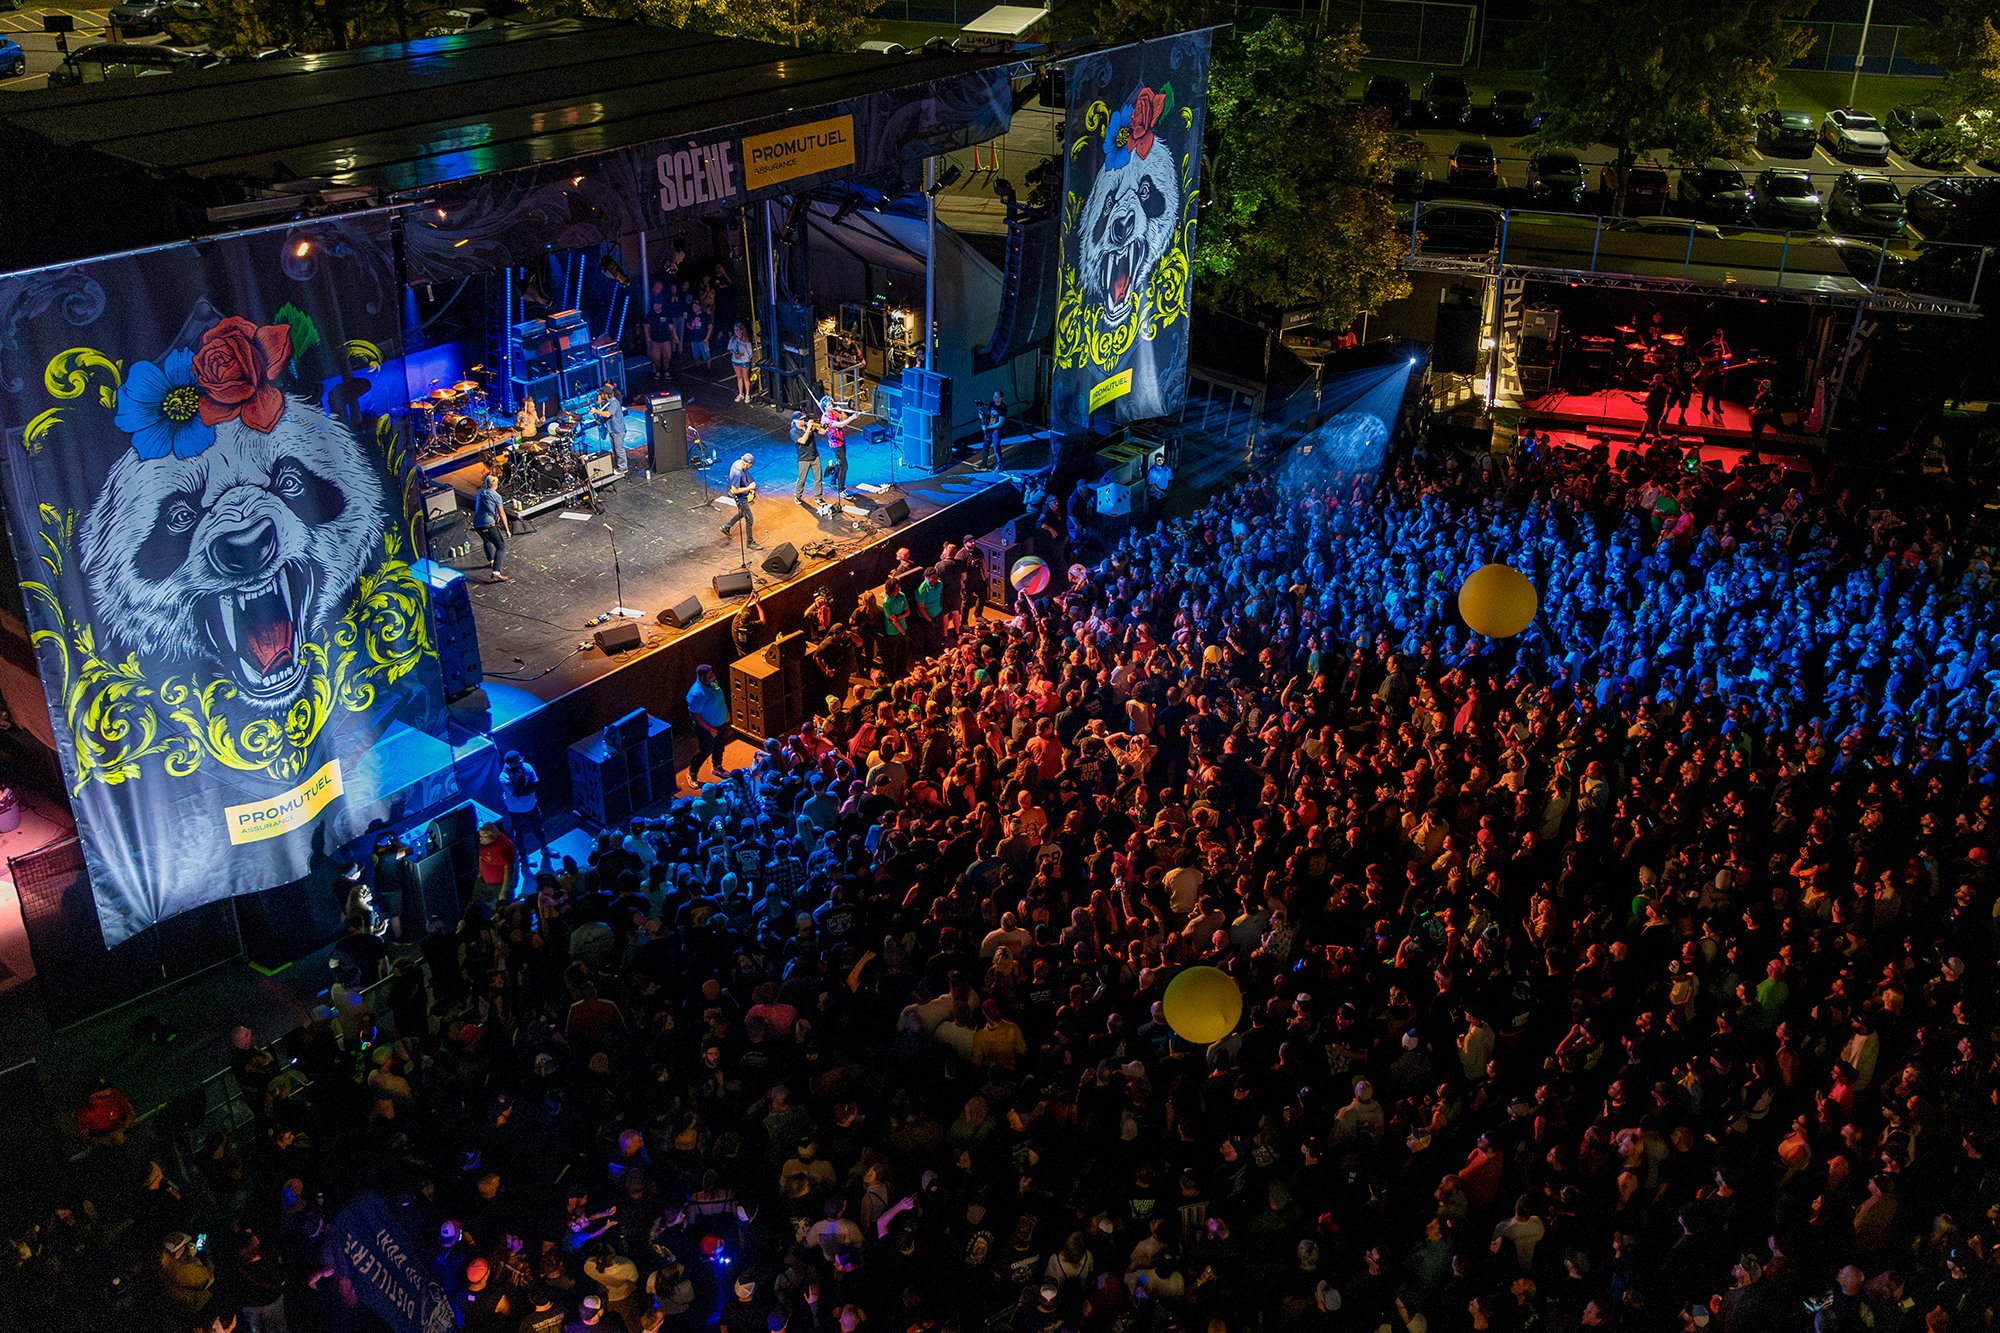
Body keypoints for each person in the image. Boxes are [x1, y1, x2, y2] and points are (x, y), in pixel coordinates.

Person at [498, 750, 544, 872]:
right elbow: (517, 793)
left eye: (520, 760)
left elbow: (536, 784)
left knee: (538, 826)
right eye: (517, 762)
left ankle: (544, 847)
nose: (521, 763)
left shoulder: (526, 766)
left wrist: (527, 788)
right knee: (519, 832)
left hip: (531, 803)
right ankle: (524, 857)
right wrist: (523, 780)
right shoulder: (504, 777)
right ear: (509, 764)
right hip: (516, 809)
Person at [685, 663, 730, 784]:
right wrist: (710, 729)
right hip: (707, 729)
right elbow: (695, 716)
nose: (713, 676)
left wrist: (726, 713)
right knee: (705, 750)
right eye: (710, 675)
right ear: (702, 677)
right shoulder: (696, 693)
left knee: (719, 747)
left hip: (721, 724)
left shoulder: (713, 684)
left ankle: (717, 767)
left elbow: (720, 699)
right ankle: (692, 773)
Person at [472, 469, 510, 582]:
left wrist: (494, 513)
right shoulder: (496, 496)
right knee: (501, 547)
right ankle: (496, 572)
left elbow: (486, 506)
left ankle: (491, 561)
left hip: (477, 524)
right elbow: (502, 514)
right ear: (496, 484)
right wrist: (507, 530)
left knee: (486, 541)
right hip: (488, 525)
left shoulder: (480, 492)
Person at [722, 451, 761, 550]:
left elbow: (746, 474)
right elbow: (735, 490)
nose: (750, 467)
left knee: (743, 512)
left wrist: (751, 486)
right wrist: (749, 488)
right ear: (747, 464)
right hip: (740, 497)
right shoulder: (737, 473)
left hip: (742, 493)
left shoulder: (738, 463)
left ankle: (727, 526)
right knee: (749, 518)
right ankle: (750, 542)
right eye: (750, 465)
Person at [819, 396, 857, 498]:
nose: (832, 405)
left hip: (841, 441)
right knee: (844, 466)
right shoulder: (826, 418)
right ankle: (841, 490)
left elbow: (842, 418)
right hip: (836, 444)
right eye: (829, 405)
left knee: (839, 463)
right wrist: (852, 417)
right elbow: (840, 424)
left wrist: (843, 411)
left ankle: (832, 481)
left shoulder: (833, 412)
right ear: (825, 408)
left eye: (832, 404)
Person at [645, 278, 677, 379]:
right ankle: (658, 371)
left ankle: (666, 371)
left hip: (665, 340)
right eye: (655, 304)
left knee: (667, 357)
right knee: (656, 358)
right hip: (655, 341)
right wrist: (648, 338)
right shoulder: (650, 315)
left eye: (658, 304)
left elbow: (671, 327)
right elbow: (646, 326)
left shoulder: (666, 314)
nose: (656, 306)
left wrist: (675, 337)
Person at [792, 410, 824, 506]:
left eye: (803, 419)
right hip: (804, 459)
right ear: (795, 421)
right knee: (802, 479)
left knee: (818, 478)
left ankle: (818, 497)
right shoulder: (793, 432)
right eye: (800, 420)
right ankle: (797, 496)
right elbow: (803, 440)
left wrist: (824, 427)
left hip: (815, 456)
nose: (803, 421)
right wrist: (809, 428)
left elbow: (821, 432)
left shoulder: (807, 426)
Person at [1698, 326, 1732, 419]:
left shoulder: (1723, 344)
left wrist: (1725, 357)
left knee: (1718, 390)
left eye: (1720, 337)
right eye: (1717, 337)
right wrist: (1710, 359)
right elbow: (1700, 356)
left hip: (1720, 370)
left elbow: (1730, 354)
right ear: (1713, 336)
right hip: (1710, 369)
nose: (1718, 339)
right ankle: (1704, 407)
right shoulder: (1708, 345)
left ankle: (1716, 407)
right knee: (1707, 390)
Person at [593, 383, 627, 472]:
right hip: (612, 430)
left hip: (618, 430)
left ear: (606, 395)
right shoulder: (608, 403)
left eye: (601, 394)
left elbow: (608, 414)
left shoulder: (614, 402)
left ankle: (623, 467)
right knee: (615, 450)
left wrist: (596, 411)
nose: (600, 395)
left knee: (619, 450)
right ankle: (618, 466)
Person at [977, 391, 1005, 468]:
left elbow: (1000, 423)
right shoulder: (992, 404)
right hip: (990, 428)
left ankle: (999, 465)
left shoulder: (1002, 408)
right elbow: (988, 415)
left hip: (997, 430)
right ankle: (984, 463)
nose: (995, 398)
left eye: (997, 397)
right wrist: (982, 414)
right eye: (994, 396)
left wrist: (988, 427)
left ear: (1001, 398)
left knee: (996, 447)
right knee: (986, 445)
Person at [729, 323, 756, 403]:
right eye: (735, 330)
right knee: (739, 377)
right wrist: (735, 353)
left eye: (737, 330)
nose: (736, 332)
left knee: (746, 377)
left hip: (744, 361)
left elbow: (750, 353)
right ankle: (741, 394)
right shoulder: (733, 339)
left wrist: (742, 355)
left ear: (741, 330)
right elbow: (729, 348)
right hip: (735, 360)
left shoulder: (746, 340)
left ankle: (747, 394)